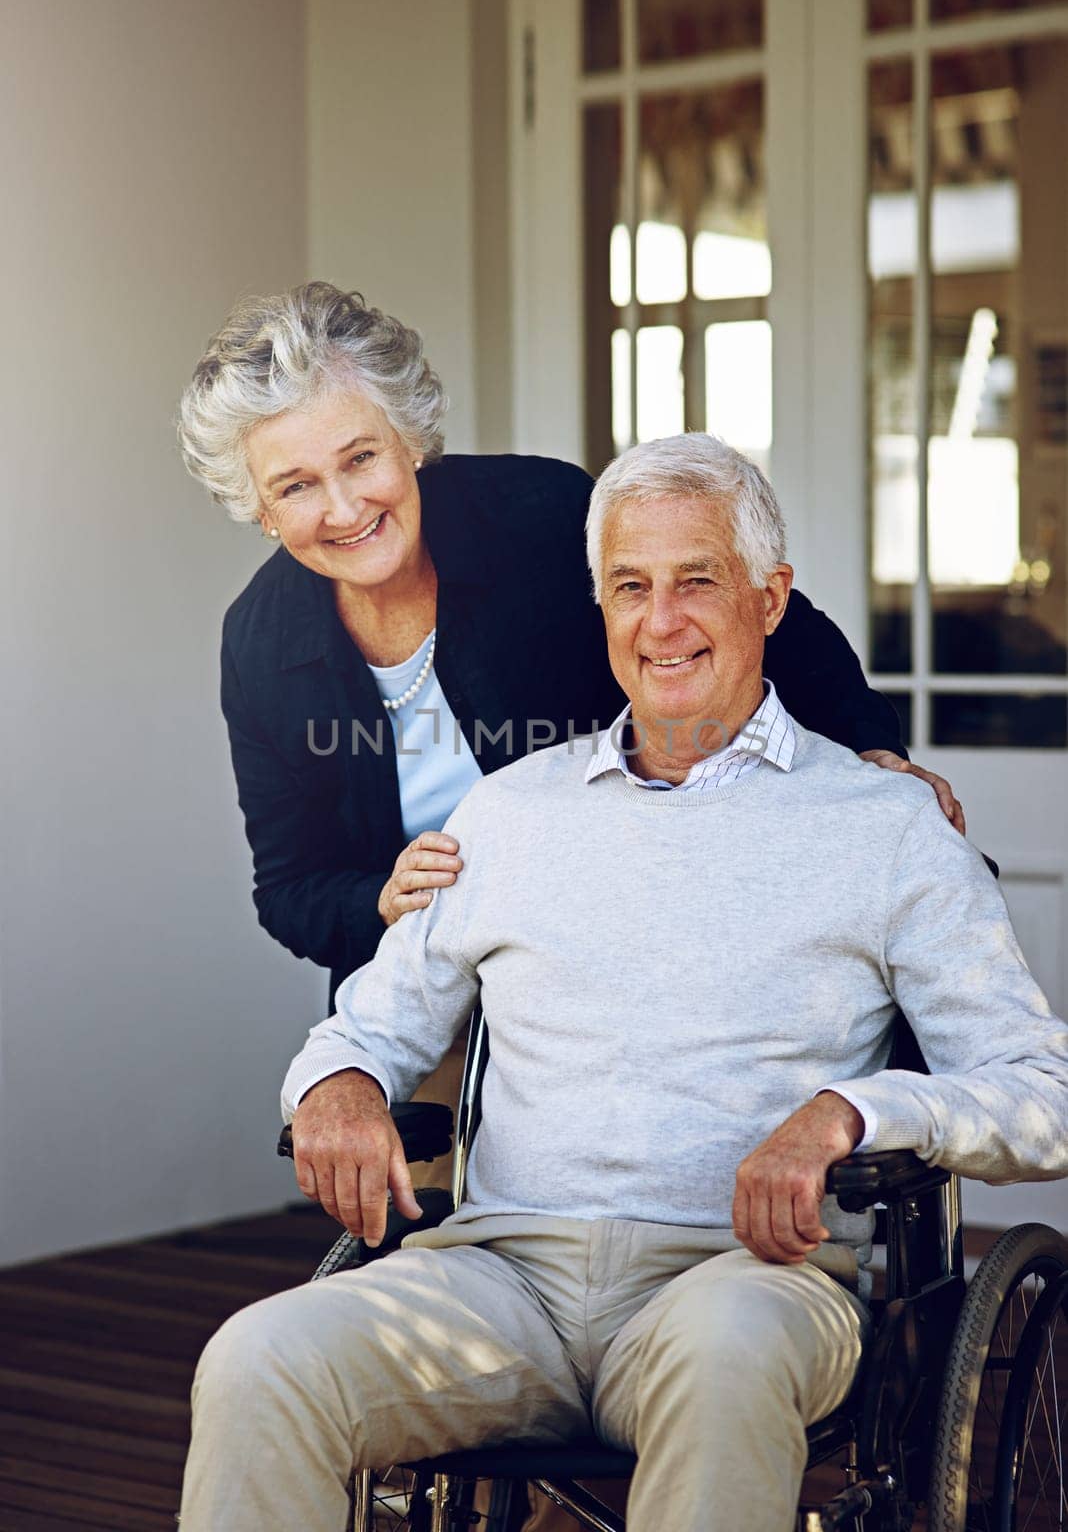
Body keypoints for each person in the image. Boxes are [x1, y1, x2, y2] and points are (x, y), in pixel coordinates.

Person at [179, 435, 1068, 1532]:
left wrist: (857, 1110)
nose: (663, 621)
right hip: (499, 1281)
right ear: (596, 608)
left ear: (772, 599)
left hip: (746, 1280)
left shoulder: (886, 829)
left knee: (729, 1353)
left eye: (697, 580)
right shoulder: (511, 814)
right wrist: (341, 1084)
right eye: (630, 588)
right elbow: (372, 1021)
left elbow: (1041, 1094)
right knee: (260, 1357)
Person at [178, 283, 963, 1006]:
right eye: (296, 485)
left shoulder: (538, 516)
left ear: (408, 441)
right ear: (262, 511)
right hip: (429, 989)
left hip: (636, 940)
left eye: (361, 457)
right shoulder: (259, 642)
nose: (346, 507)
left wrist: (869, 751)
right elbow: (290, 890)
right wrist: (378, 897)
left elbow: (756, 617)